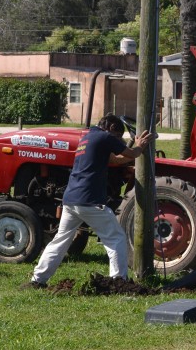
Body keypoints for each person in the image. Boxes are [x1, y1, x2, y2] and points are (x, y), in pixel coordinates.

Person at [22, 114, 154, 289]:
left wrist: (134, 150)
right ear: (111, 129)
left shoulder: (87, 138)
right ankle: (119, 281)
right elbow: (131, 153)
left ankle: (37, 280)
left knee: (60, 241)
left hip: (70, 200)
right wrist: (139, 146)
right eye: (117, 136)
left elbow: (114, 159)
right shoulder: (106, 136)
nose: (117, 140)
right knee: (116, 238)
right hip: (90, 200)